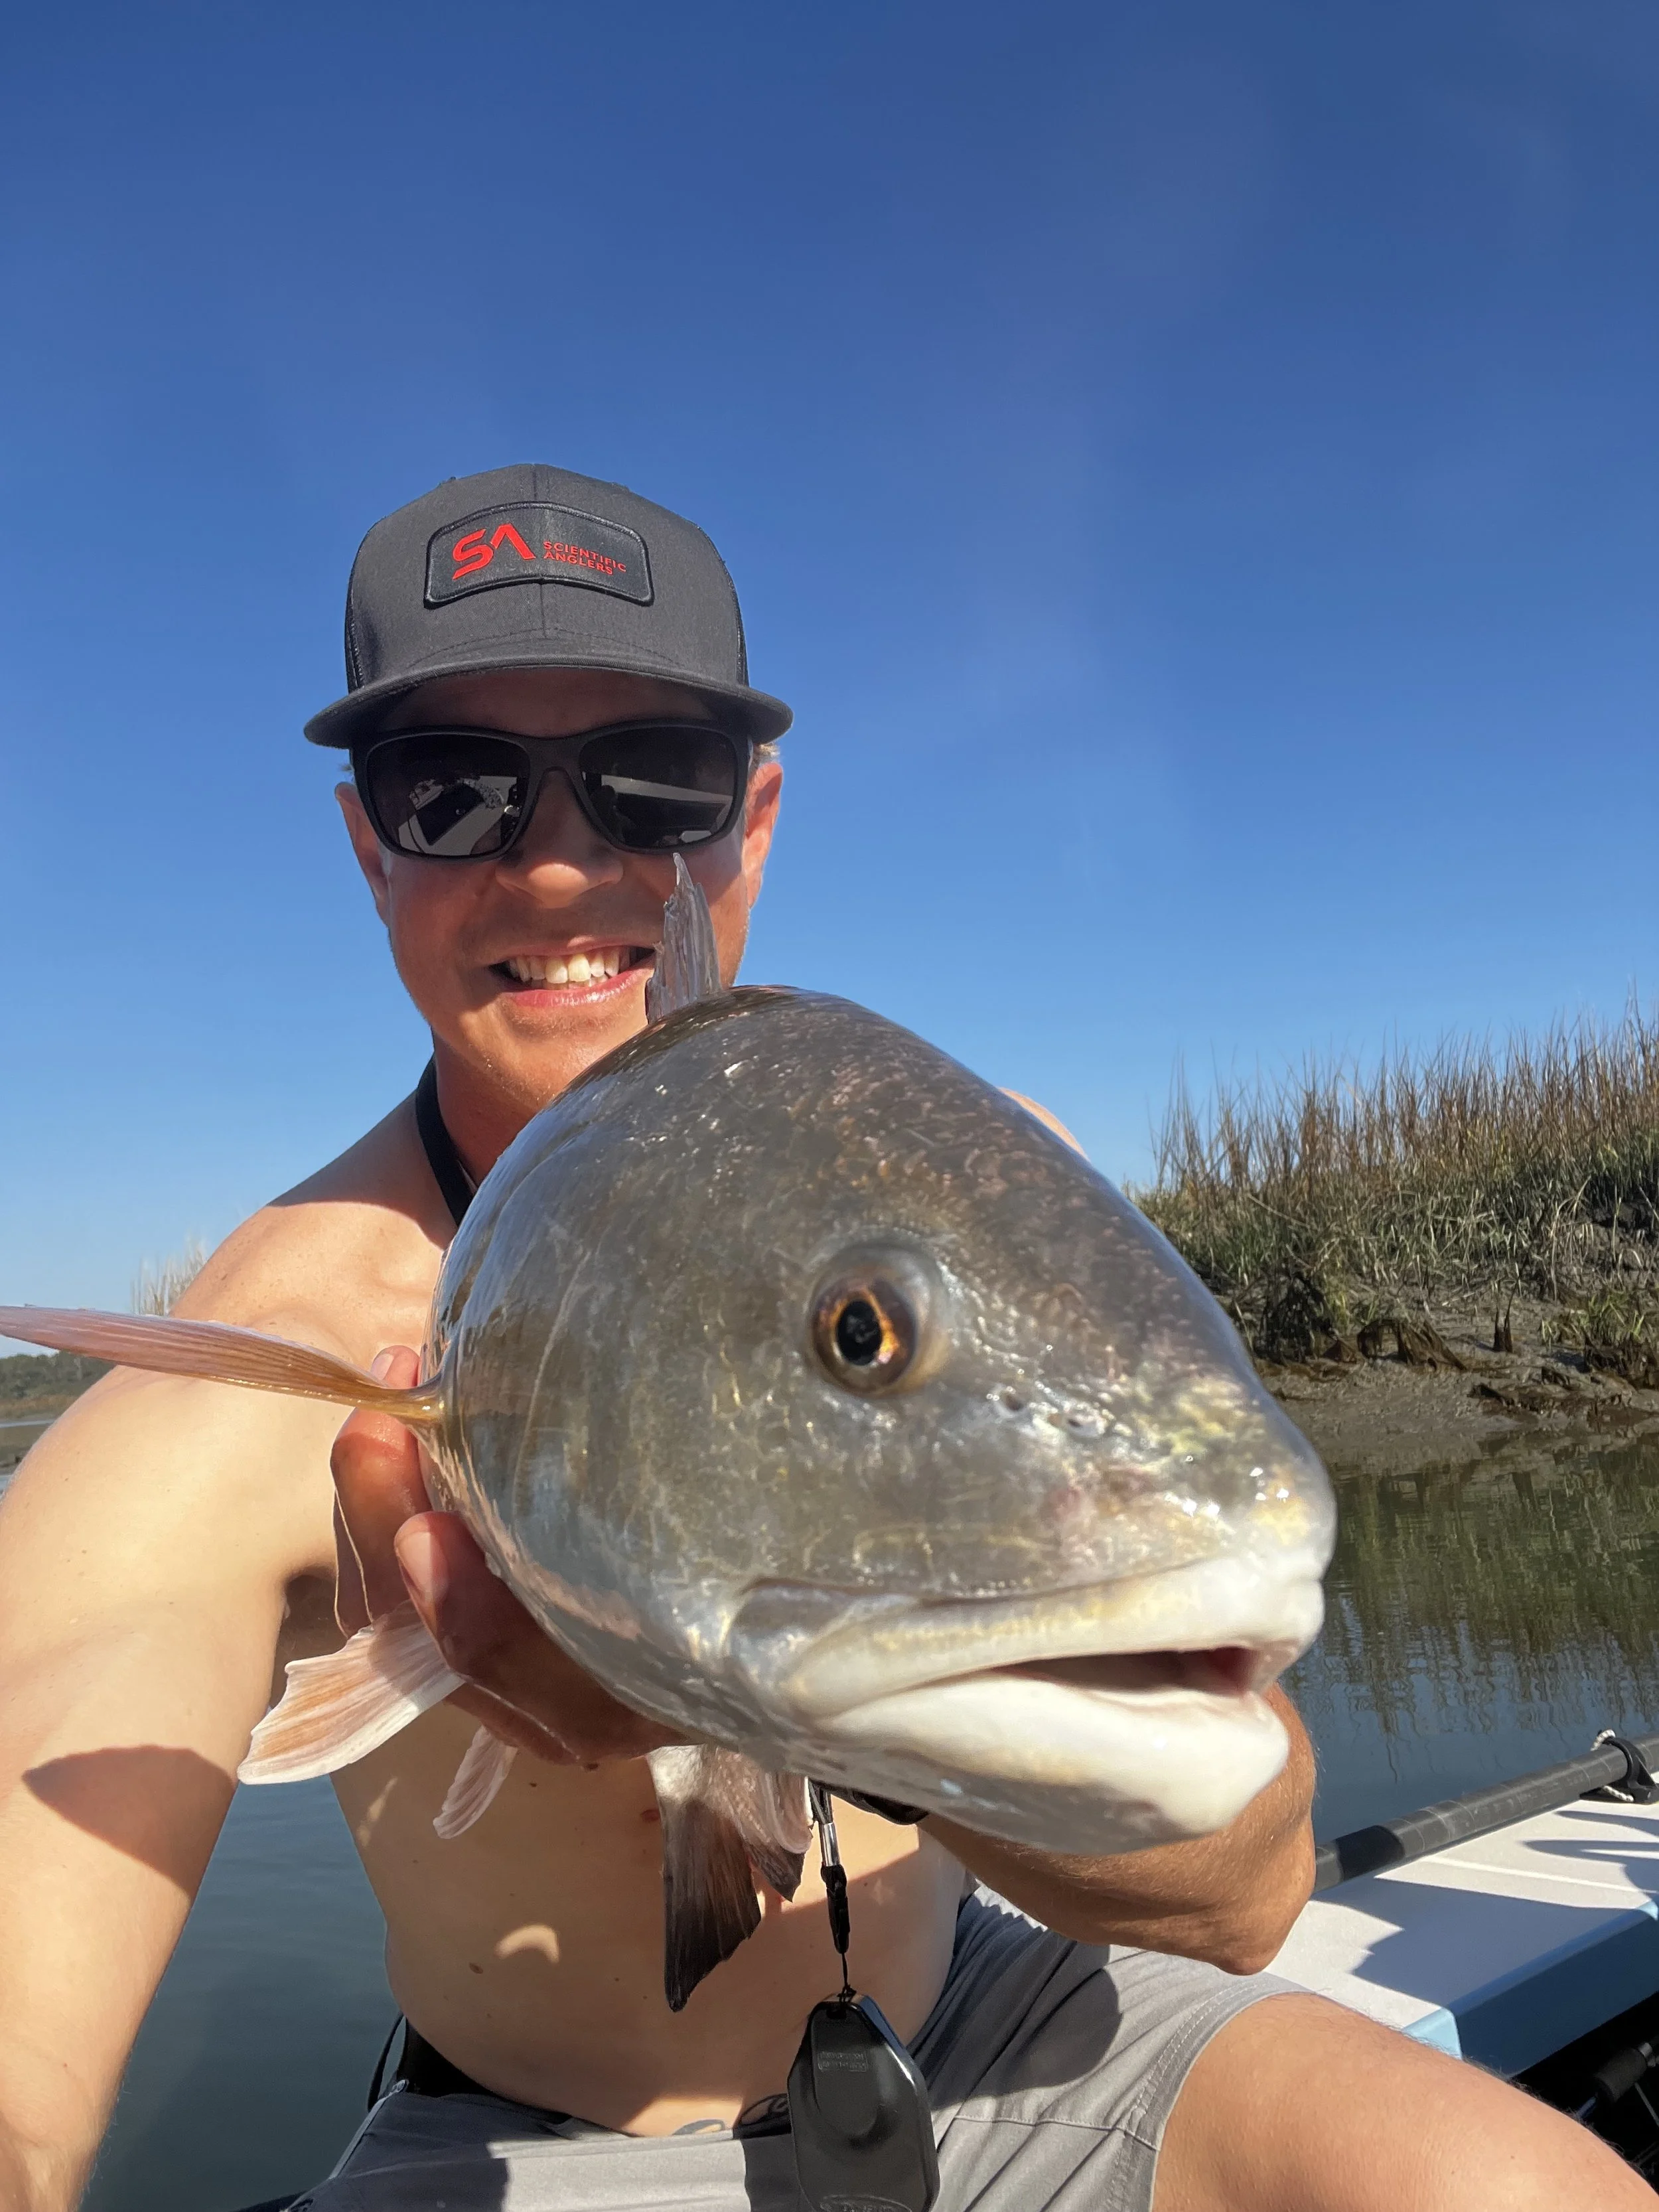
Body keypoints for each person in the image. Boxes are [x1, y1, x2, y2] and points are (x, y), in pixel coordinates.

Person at [0, 465, 1643, 2212]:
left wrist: (799, 1686)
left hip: (1006, 2018)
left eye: (649, 778)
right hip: (537, 2142)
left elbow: (1242, 1894)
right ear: (367, 841)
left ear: (750, 819)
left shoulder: (984, 1196)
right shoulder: (261, 1358)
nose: (557, 862)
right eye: (454, 790)